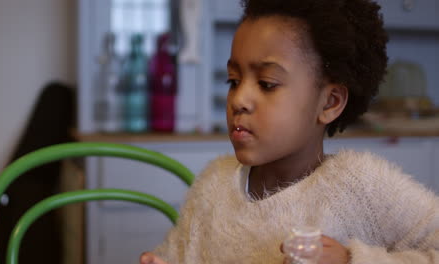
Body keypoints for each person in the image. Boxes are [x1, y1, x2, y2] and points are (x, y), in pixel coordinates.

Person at [140, 0, 439, 263]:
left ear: (329, 102)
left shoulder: (362, 187)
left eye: (267, 83)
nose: (239, 100)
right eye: (233, 80)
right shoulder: (214, 184)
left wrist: (351, 260)